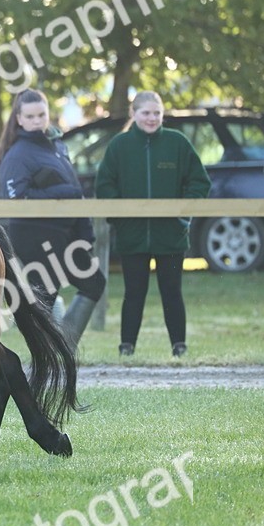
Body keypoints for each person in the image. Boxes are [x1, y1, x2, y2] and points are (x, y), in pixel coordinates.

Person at [95, 91, 210, 357]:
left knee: (172, 292)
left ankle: (179, 347)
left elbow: (199, 182)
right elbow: (105, 184)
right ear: (134, 114)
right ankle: (127, 347)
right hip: (132, 235)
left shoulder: (177, 143)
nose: (152, 118)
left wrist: (183, 212)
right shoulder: (119, 146)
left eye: (156, 113)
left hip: (171, 235)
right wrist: (121, 217)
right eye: (146, 113)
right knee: (134, 293)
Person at [0, 89, 106, 347]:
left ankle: (61, 349)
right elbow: (16, 199)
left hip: (66, 235)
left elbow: (75, 192)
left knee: (93, 282)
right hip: (35, 237)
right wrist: (63, 192)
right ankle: (51, 357)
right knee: (45, 298)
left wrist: (83, 231)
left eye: (41, 114)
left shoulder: (58, 146)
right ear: (19, 119)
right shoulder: (17, 154)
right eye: (30, 116)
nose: (37, 120)